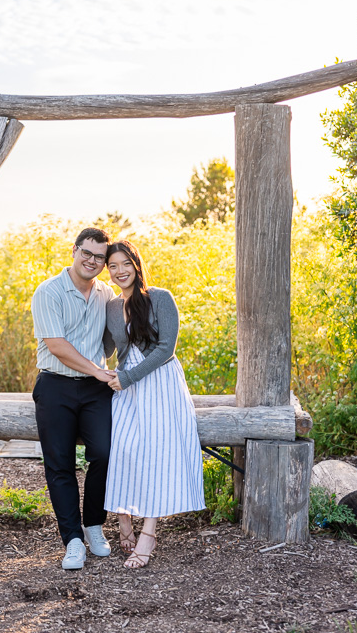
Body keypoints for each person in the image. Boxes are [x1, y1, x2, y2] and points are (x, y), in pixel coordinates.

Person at [103, 239, 205, 569]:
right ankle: (123, 518)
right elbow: (106, 349)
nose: (120, 271)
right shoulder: (111, 307)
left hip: (159, 383)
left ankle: (148, 533)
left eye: (125, 264)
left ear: (136, 264)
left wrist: (129, 378)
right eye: (113, 266)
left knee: (155, 455)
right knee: (123, 448)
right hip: (127, 385)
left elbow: (166, 350)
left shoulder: (159, 298)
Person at [31, 227, 116, 570]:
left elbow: (113, 339)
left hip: (96, 390)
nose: (92, 261)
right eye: (87, 253)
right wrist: (97, 369)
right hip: (55, 385)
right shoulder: (49, 291)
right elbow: (57, 346)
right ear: (75, 250)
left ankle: (94, 525)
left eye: (100, 257)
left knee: (106, 452)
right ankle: (73, 539)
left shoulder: (106, 294)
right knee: (59, 463)